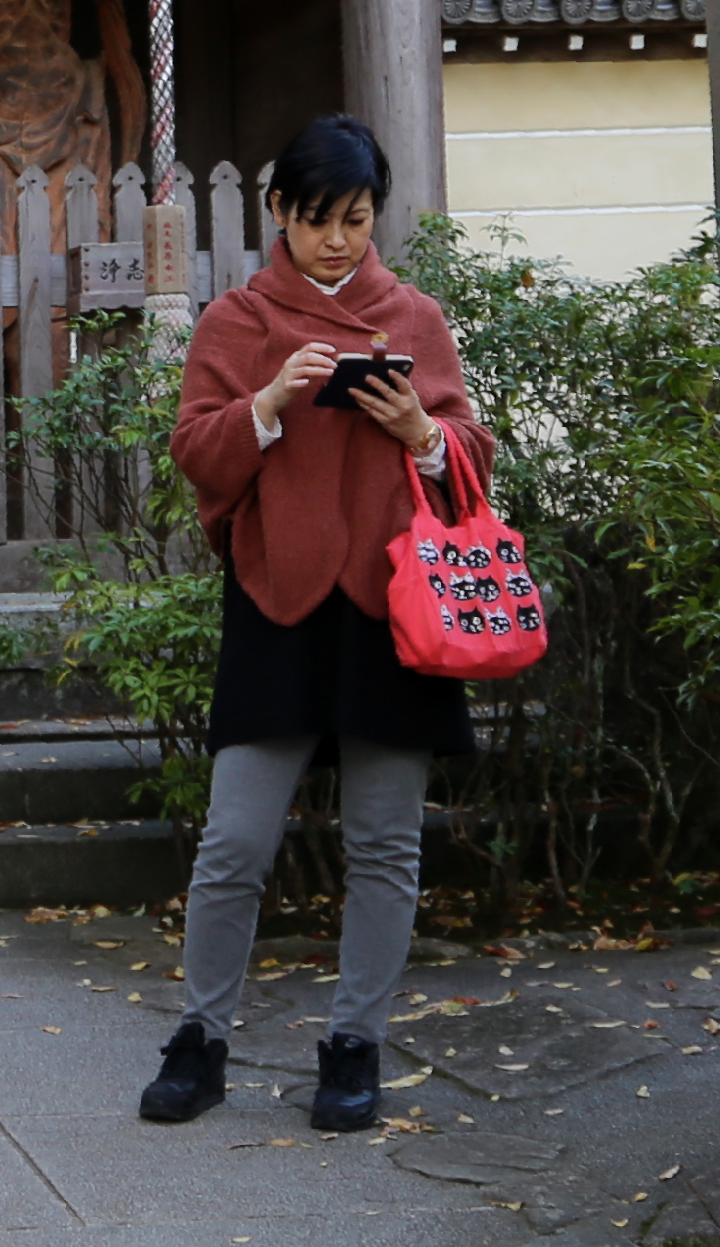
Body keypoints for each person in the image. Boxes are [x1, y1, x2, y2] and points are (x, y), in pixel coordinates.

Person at [140, 115, 478, 1140]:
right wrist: (268, 407)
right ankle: (200, 1039)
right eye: (319, 219)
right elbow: (197, 454)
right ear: (278, 211)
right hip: (277, 603)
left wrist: (421, 432)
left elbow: (468, 454)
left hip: (393, 606)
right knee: (234, 841)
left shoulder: (413, 318)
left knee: (384, 844)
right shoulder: (237, 322)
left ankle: (354, 1046)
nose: (339, 241)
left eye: (358, 219)